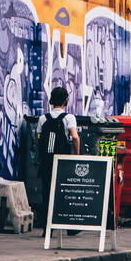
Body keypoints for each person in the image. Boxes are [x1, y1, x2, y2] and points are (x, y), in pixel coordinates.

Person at [36, 86, 80, 231]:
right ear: (65, 101)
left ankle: (47, 226)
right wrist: (76, 155)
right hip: (63, 161)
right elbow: (74, 137)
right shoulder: (69, 118)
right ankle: (68, 225)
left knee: (47, 191)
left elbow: (38, 138)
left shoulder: (43, 118)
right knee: (65, 191)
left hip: (47, 160)